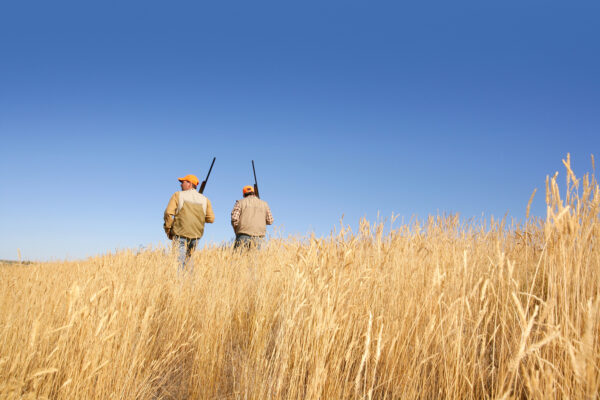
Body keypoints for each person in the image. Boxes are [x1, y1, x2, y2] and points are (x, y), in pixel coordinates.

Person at [164, 174, 215, 272]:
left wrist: (168, 230)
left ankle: (179, 285)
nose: (181, 185)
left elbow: (168, 213)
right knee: (189, 261)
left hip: (180, 234)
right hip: (196, 236)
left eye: (183, 182)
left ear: (190, 184)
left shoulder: (178, 195)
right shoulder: (205, 199)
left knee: (178, 263)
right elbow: (211, 219)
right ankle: (190, 284)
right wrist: (197, 216)